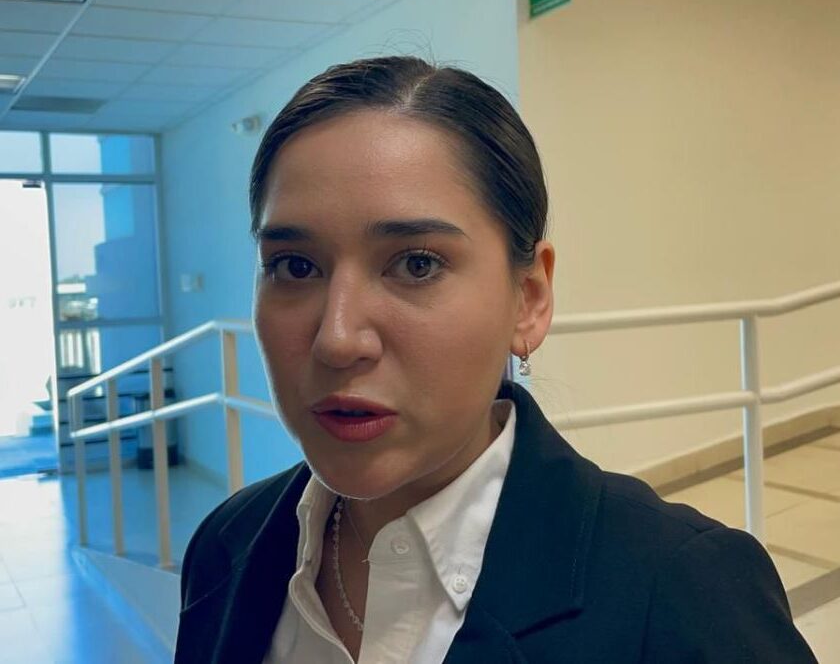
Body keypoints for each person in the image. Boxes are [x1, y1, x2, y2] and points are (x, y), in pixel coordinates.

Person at [174, 56, 816, 664]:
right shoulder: (227, 545)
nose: (338, 339)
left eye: (416, 264)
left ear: (528, 299)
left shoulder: (686, 595)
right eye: (295, 266)